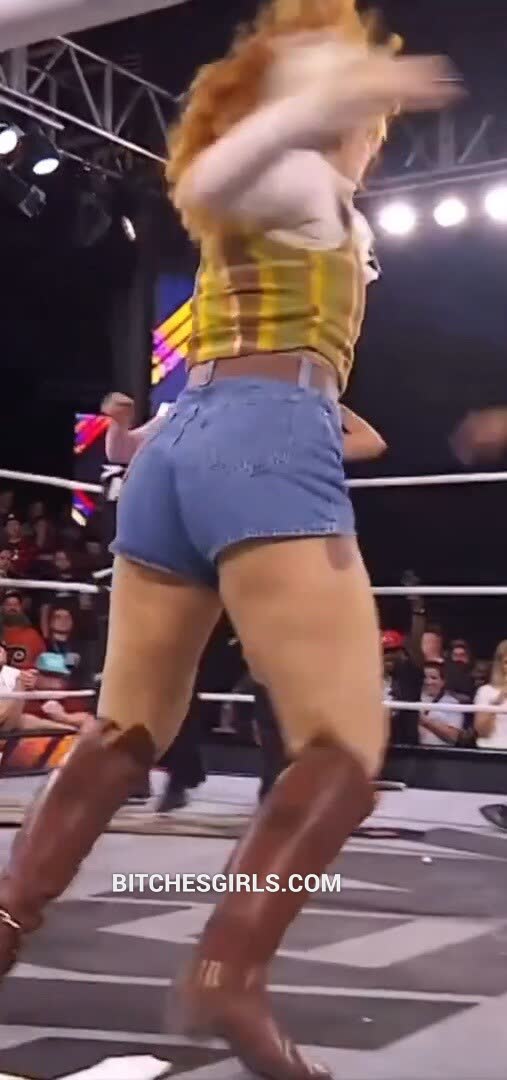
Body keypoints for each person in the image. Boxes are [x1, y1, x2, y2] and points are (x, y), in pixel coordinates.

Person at [0, 5, 459, 1078]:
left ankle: (5, 924)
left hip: (179, 447)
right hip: (257, 440)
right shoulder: (294, 171)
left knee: (126, 730)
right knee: (344, 749)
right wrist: (324, 95)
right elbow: (208, 177)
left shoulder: (311, 202)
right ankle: (229, 969)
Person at [418, 661, 465, 746]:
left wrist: (424, 721)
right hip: (412, 750)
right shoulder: (412, 700)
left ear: (443, 681)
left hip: (440, 752)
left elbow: (453, 737)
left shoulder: (452, 703)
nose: (428, 682)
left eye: (434, 678)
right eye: (424, 677)